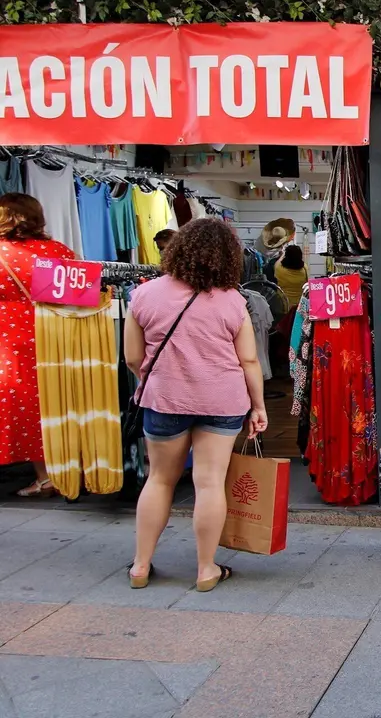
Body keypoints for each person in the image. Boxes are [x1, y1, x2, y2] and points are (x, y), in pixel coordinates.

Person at [125, 218, 269, 592]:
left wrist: (159, 379)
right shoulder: (233, 300)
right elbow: (249, 361)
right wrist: (259, 406)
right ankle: (206, 569)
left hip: (164, 400)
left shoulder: (143, 295)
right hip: (222, 400)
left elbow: (132, 357)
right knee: (209, 483)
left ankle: (140, 566)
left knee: (159, 480)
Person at [0, 193, 76, 498]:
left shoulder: (2, 252)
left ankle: (44, 475)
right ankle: (59, 472)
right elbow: (75, 299)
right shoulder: (59, 252)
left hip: (8, 338)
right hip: (52, 336)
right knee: (52, 403)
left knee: (18, 404)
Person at [274, 244, 308, 310]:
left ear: (287, 256)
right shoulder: (304, 269)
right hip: (299, 305)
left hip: (284, 304)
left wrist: (283, 253)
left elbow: (277, 262)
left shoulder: (279, 268)